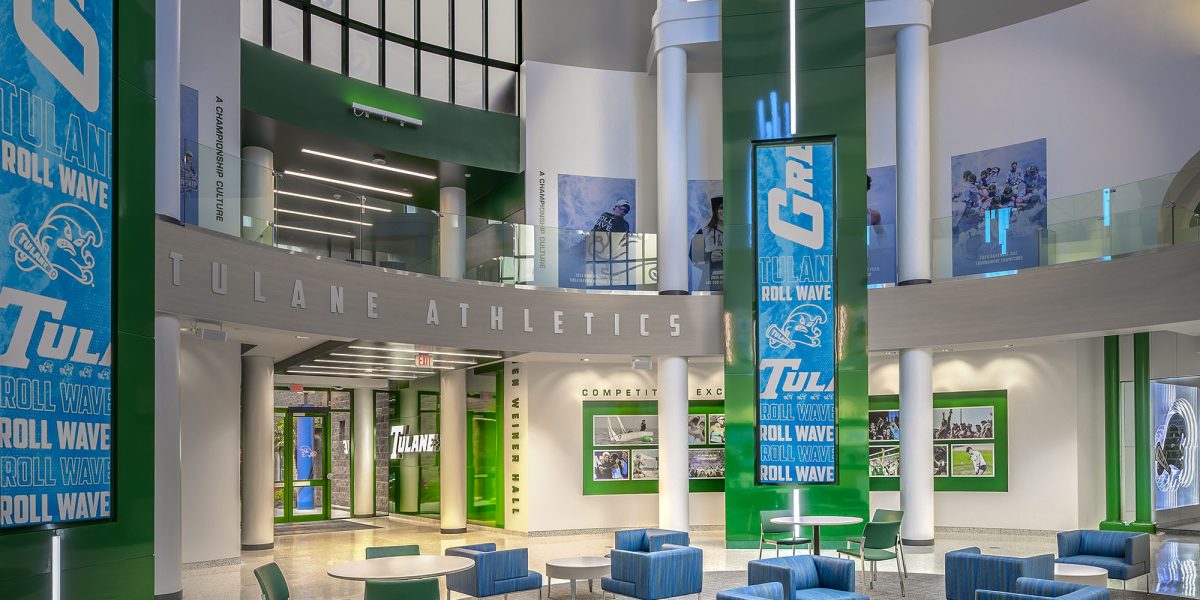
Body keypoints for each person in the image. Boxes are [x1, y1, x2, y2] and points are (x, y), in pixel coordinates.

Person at [689, 196, 724, 291]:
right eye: (721, 208)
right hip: (709, 283)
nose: (724, 211)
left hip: (734, 282)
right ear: (715, 210)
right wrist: (709, 256)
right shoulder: (703, 232)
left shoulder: (738, 234)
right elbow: (693, 256)